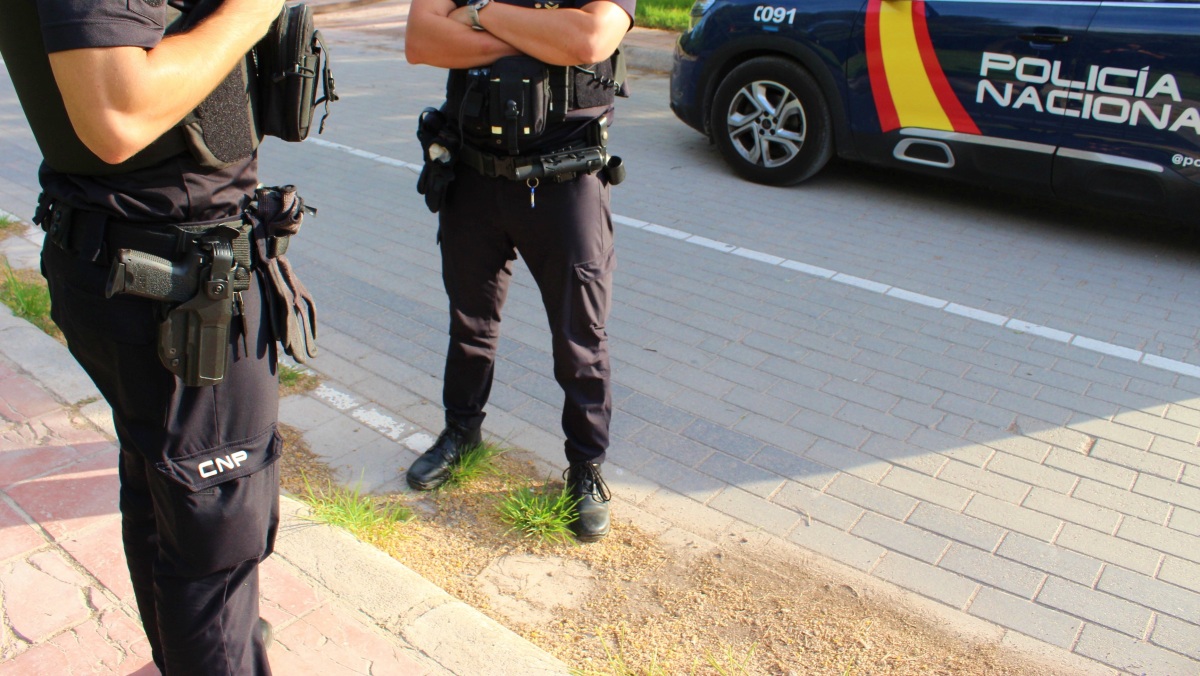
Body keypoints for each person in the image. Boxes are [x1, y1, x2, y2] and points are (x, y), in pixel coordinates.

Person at [0, 0, 309, 672]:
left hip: (147, 265)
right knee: (215, 542)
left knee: (165, 493)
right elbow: (116, 117)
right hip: (176, 285)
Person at [404, 0, 634, 542]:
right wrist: (541, 38)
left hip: (565, 181)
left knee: (580, 337)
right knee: (470, 322)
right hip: (474, 175)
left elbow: (590, 41)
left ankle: (585, 469)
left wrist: (477, 14)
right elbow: (420, 41)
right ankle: (461, 433)